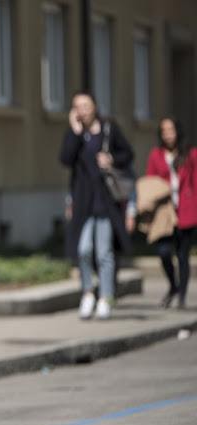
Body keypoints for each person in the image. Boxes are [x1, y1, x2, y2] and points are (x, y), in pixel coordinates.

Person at [60, 91, 134, 320]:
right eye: (76, 106)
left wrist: (111, 159)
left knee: (104, 252)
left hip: (105, 202)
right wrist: (74, 131)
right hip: (83, 202)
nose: (81, 110)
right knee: (83, 250)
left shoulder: (109, 130)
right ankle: (88, 292)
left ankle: (105, 297)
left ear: (94, 107)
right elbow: (65, 159)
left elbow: (128, 154)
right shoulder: (75, 134)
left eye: (85, 105)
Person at [144, 117, 197, 310]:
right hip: (164, 212)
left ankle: (182, 295)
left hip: (185, 209)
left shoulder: (190, 154)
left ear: (178, 131)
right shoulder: (156, 155)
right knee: (164, 252)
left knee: (183, 255)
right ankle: (173, 286)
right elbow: (150, 181)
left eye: (171, 130)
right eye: (164, 130)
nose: (167, 134)